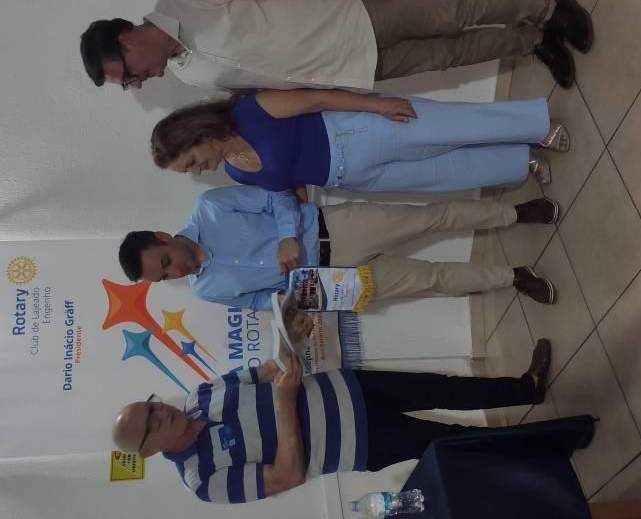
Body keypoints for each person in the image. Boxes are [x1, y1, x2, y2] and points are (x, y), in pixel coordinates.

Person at [111, 334, 593, 504]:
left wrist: (290, 337)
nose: (161, 412)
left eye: (151, 405)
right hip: (362, 441)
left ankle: (526, 388)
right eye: (150, 423)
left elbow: (268, 371)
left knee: (447, 387)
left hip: (351, 387)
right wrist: (285, 404)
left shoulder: (200, 395)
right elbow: (287, 476)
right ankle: (551, 446)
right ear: (148, 451)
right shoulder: (203, 481)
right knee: (459, 441)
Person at [80, 0, 592, 94]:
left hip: (353, 17)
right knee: (450, 54)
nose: (137, 84)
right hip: (351, 69)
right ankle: (533, 42)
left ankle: (549, 9)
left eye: (127, 76)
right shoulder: (190, 75)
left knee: (454, 12)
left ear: (126, 39)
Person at [117, 185, 561, 312]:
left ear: (161, 236)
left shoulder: (210, 206)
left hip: (337, 230)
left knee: (432, 217)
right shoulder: (206, 290)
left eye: (166, 262)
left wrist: (288, 235)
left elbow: (276, 197)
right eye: (165, 277)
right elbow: (256, 302)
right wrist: (287, 305)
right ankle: (514, 277)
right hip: (327, 286)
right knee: (431, 279)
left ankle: (516, 213)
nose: (175, 272)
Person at [151, 89, 568, 192]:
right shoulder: (238, 174)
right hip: (354, 178)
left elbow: (317, 98)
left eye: (190, 162)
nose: (197, 170)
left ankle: (536, 125)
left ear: (197, 135)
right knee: (447, 173)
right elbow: (291, 181)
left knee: (454, 126)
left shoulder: (250, 110)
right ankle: (522, 161)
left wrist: (378, 105)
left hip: (357, 132)